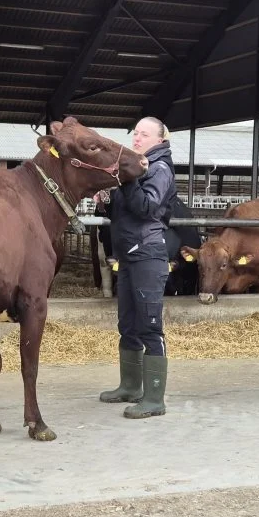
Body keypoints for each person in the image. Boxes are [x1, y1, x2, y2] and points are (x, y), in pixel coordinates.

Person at [97, 116, 178, 419]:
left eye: (144, 134)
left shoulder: (159, 169)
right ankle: (130, 386)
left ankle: (155, 398)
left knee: (150, 327)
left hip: (147, 254)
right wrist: (106, 197)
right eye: (136, 134)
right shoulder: (134, 168)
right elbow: (121, 209)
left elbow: (147, 207)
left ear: (160, 139)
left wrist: (127, 181)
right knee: (127, 323)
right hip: (128, 255)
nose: (137, 139)